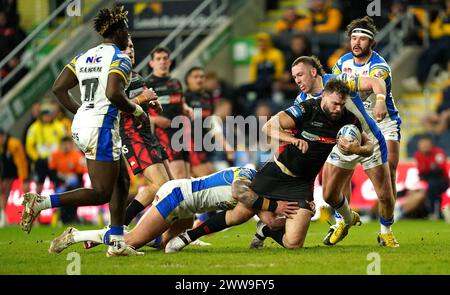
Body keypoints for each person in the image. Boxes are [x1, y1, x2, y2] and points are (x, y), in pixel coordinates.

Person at [166, 78, 371, 252]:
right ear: (324, 96)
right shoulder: (307, 110)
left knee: (293, 244)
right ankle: (189, 236)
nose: (338, 109)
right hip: (277, 173)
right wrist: (293, 140)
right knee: (240, 214)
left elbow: (369, 145)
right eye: (335, 103)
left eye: (342, 104)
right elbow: (269, 127)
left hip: (302, 184)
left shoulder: (348, 120)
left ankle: (266, 230)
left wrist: (357, 150)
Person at [21, 6, 155, 257]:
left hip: (85, 124)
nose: (128, 33)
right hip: (100, 127)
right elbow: (114, 93)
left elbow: (59, 88)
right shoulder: (120, 58)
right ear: (120, 31)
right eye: (126, 28)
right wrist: (138, 111)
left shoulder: (84, 56)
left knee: (122, 181)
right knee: (102, 191)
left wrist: (81, 111)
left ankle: (116, 243)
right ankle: (42, 202)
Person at [48, 167, 294, 253]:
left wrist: (271, 220)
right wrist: (273, 207)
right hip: (177, 197)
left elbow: (253, 209)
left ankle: (110, 236)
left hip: (188, 208)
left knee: (162, 243)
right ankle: (76, 235)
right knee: (131, 241)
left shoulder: (258, 189)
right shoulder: (249, 174)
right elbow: (242, 194)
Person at [331, 17, 401, 246]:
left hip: (384, 123)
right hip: (355, 123)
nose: (357, 42)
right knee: (343, 174)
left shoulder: (380, 65)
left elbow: (375, 82)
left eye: (362, 38)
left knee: (389, 171)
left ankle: (386, 228)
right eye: (353, 38)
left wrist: (380, 99)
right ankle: (344, 219)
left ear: (371, 42)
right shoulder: (341, 63)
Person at [119, 37, 172, 227]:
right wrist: (143, 98)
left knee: (173, 187)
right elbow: (116, 107)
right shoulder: (115, 77)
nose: (130, 50)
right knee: (162, 186)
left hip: (148, 135)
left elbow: (139, 103)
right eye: (125, 48)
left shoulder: (135, 75)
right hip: (132, 137)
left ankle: (172, 234)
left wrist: (151, 104)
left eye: (132, 46)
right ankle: (121, 224)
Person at [146, 46, 193, 179]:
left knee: (187, 176)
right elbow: (136, 111)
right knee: (178, 176)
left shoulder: (176, 83)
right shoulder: (147, 84)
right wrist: (155, 120)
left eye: (165, 58)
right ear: (152, 63)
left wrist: (187, 108)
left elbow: (181, 100)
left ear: (170, 61)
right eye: (158, 59)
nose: (162, 62)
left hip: (181, 132)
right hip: (164, 135)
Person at [414, 134, 449, 218]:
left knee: (433, 184)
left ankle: (434, 211)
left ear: (431, 145)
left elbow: (439, 171)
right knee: (417, 188)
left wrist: (427, 172)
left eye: (426, 144)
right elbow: (421, 173)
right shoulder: (418, 155)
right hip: (427, 180)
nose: (424, 146)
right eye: (422, 144)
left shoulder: (438, 153)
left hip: (442, 181)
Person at [0, 128, 28, 227]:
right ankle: (3, 216)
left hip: (16, 170)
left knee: (25, 192)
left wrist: (23, 179)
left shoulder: (14, 144)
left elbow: (21, 163)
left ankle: (31, 216)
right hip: (6, 171)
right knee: (2, 191)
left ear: (3, 136)